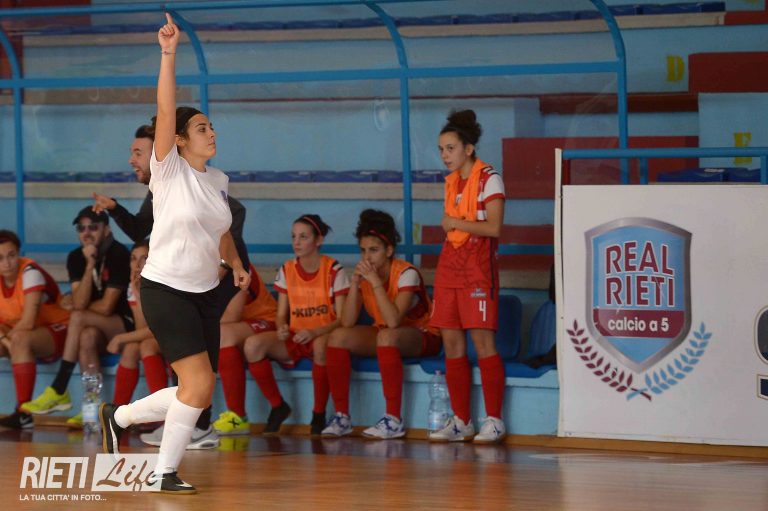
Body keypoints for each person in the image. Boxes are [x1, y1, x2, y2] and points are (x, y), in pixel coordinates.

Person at [99, 13, 249, 495]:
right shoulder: (168, 171)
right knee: (198, 384)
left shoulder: (218, 180)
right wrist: (168, 54)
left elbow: (220, 231)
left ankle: (119, 417)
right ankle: (162, 472)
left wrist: (236, 263)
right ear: (180, 140)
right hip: (165, 288)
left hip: (207, 293)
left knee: (197, 391)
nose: (212, 133)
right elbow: (165, 111)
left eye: (212, 127)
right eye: (202, 128)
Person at [93, 115, 250, 450]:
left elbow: (227, 222)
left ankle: (184, 427)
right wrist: (115, 208)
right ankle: (174, 438)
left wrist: (229, 262)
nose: (132, 159)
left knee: (200, 378)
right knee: (195, 377)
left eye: (138, 152)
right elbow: (140, 229)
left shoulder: (207, 179)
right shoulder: (164, 183)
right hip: (175, 286)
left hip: (212, 280)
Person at [323, 209, 441, 439]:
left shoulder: (406, 273)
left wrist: (375, 283)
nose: (367, 257)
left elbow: (393, 321)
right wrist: (355, 284)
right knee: (337, 337)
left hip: (424, 334)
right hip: (385, 332)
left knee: (386, 336)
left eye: (374, 250)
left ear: (389, 251)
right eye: (363, 250)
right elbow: (347, 321)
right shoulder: (366, 276)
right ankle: (342, 417)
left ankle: (393, 420)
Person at [427, 109, 507, 444]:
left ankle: (495, 420)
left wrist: (455, 223)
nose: (444, 155)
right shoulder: (452, 182)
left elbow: (494, 227)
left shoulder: (490, 179)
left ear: (469, 148)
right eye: (441, 149)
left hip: (477, 269)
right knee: (451, 342)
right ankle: (462, 420)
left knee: (482, 342)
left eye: (450, 148)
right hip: (450, 266)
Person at [21, 207, 133, 417]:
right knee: (86, 336)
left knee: (78, 316)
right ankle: (92, 407)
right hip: (96, 327)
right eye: (81, 228)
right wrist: (90, 264)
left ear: (107, 229)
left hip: (123, 324)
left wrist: (79, 305)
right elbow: (80, 302)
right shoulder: (76, 257)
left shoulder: (118, 254)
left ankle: (59, 387)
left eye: (93, 227)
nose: (86, 233)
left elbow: (106, 306)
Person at [244, 214, 348, 436]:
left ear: (318, 240)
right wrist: (281, 326)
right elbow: (281, 314)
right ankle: (278, 406)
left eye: (303, 237)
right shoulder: (287, 269)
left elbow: (343, 319)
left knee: (321, 346)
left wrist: (315, 332)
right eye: (293, 237)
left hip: (323, 334)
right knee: (252, 345)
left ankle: (318, 414)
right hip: (297, 335)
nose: (297, 242)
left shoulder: (334, 270)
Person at [0, 230, 70, 429]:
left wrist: (6, 338)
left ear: (18, 253)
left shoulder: (30, 273)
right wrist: (4, 340)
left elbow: (29, 322)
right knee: (17, 340)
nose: (7, 263)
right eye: (0, 258)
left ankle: (23, 413)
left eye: (11, 255)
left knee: (20, 340)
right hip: (19, 334)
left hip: (60, 329)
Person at [214, 264, 277, 435]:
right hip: (241, 327)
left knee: (222, 335)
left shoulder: (239, 266)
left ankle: (238, 416)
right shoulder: (198, 265)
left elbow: (231, 316)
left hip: (266, 320)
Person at [105, 240, 168, 409]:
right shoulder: (134, 285)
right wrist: (137, 295)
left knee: (146, 345)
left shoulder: (164, 284)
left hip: (183, 336)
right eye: (133, 259)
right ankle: (117, 413)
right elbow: (142, 328)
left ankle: (161, 411)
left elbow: (158, 330)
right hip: (160, 336)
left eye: (144, 258)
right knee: (131, 348)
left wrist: (120, 338)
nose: (137, 264)